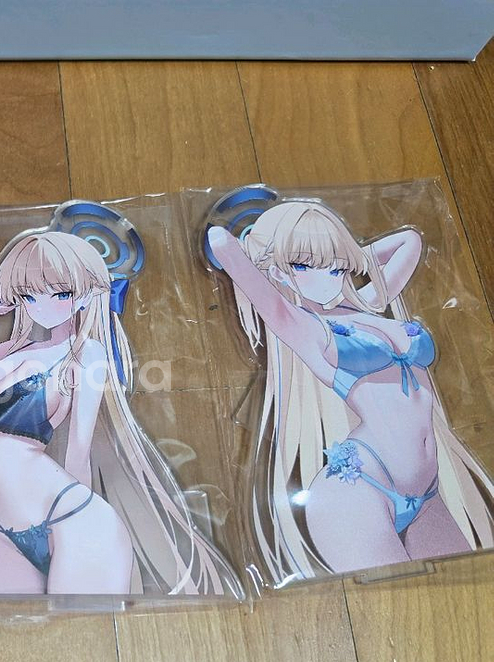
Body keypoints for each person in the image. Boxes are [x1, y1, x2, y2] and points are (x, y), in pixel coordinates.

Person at [0, 202, 241, 597]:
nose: (43, 304)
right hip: (4, 531)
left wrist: (71, 521)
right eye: (29, 293)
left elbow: (79, 450)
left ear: (85, 296)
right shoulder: (9, 352)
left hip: (68, 518)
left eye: (62, 293)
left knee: (84, 628)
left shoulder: (87, 355)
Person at [206, 188, 494, 581]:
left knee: (466, 591)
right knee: (394, 605)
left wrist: (343, 254)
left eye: (336, 267)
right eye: (306, 265)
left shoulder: (367, 303)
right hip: (359, 490)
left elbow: (410, 241)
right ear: (279, 270)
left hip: (427, 491)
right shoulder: (303, 327)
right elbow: (220, 242)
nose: (327, 277)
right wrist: (265, 254)